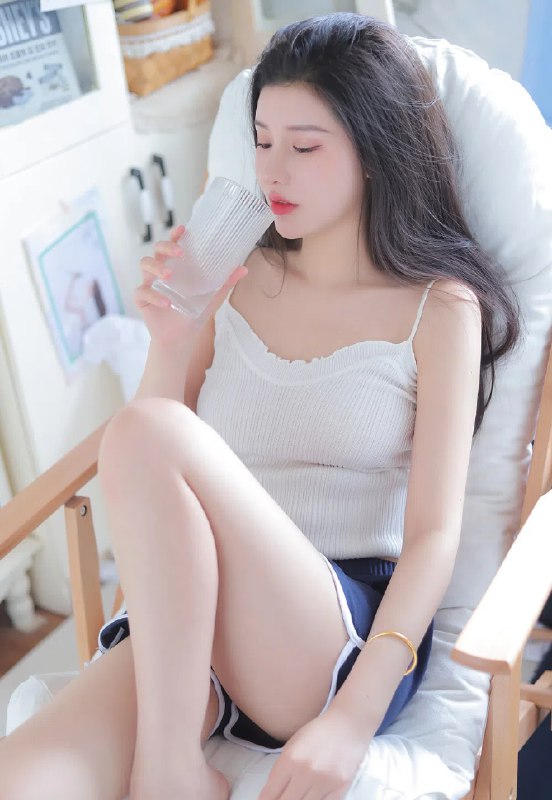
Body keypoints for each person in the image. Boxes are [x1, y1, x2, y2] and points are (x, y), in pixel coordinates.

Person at [0, 12, 521, 800]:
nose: (271, 170)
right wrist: (172, 339)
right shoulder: (232, 265)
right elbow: (145, 471)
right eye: (262, 140)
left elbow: (433, 538)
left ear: (375, 154)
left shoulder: (439, 308)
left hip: (325, 634)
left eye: (304, 148)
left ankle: (169, 773)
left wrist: (353, 718)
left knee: (148, 428)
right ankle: (173, 761)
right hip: (188, 625)